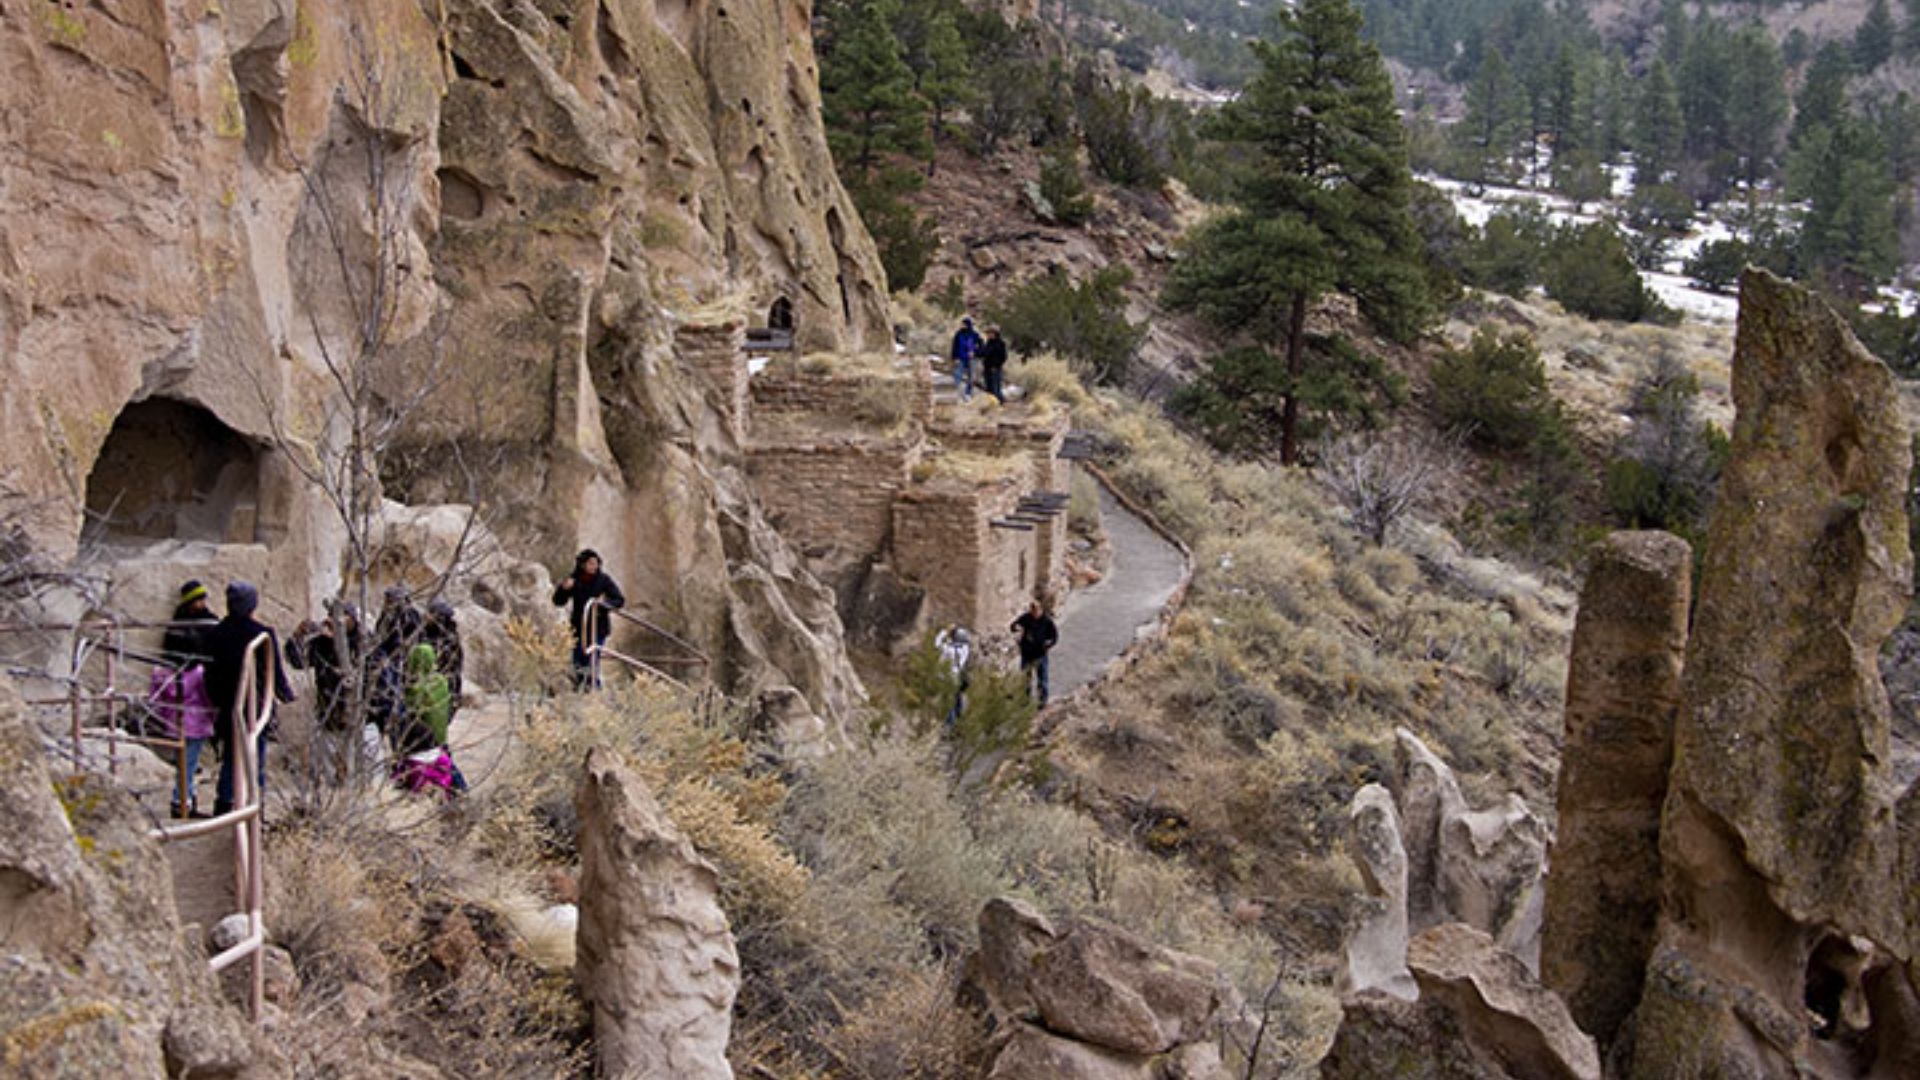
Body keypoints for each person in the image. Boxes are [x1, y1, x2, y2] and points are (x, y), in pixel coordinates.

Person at [202, 582, 296, 817]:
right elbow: (273, 669)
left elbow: (209, 674)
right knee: (256, 759)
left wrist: (215, 700)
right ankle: (256, 810)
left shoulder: (216, 634)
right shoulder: (261, 634)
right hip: (254, 704)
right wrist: (285, 694)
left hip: (227, 705)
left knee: (231, 758)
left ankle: (223, 806)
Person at [151, 581, 219, 818]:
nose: (202, 604)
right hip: (193, 707)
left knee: (187, 758)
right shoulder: (196, 629)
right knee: (188, 759)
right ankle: (181, 802)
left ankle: (185, 799)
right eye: (197, 600)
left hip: (183, 705)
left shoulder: (185, 626)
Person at [287, 601, 364, 783]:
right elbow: (299, 662)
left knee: (353, 769)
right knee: (328, 769)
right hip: (327, 711)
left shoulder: (362, 643)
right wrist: (298, 638)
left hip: (356, 715)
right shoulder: (322, 643)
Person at [390, 642, 459, 796]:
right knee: (447, 771)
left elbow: (410, 712)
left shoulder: (416, 689)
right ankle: (461, 794)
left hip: (420, 742)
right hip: (441, 737)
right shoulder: (441, 682)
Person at [553, 549, 626, 690]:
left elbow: (619, 600)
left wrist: (602, 605)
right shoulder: (574, 579)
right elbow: (558, 601)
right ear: (582, 565)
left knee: (591, 657)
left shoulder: (603, 580)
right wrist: (563, 589)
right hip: (579, 626)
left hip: (597, 626)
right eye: (590, 563)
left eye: (596, 563)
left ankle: (594, 689)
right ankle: (582, 688)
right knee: (578, 660)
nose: (594, 566)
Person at [1011, 598, 1059, 707]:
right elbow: (1014, 625)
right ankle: (1024, 700)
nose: (1034, 613)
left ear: (1041, 610)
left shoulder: (1047, 621)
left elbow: (1054, 637)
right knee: (1025, 679)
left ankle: (1042, 701)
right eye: (1033, 611)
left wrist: (1047, 645)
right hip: (1027, 654)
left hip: (1040, 654)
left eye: (1036, 611)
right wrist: (1015, 627)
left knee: (1042, 680)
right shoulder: (1026, 618)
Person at [162, 579, 218, 666]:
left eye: (203, 598)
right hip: (183, 667)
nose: (203, 602)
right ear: (190, 601)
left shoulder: (209, 619)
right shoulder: (179, 621)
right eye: (199, 599)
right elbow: (170, 647)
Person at [934, 624, 972, 727]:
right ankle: (959, 719)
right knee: (957, 699)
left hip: (946, 677)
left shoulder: (948, 649)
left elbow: (937, 643)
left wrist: (945, 631)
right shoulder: (965, 649)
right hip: (957, 676)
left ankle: (949, 725)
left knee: (949, 703)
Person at [950, 316, 983, 402]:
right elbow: (954, 346)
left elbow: (982, 346)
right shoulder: (958, 334)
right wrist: (954, 357)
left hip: (972, 359)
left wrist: (975, 352)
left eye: (964, 324)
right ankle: (957, 393)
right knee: (958, 375)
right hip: (961, 358)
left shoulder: (975, 335)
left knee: (971, 377)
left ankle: (968, 393)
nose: (962, 326)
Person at [980, 325, 1009, 404]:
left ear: (995, 333)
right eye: (988, 333)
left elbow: (1003, 357)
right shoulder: (988, 343)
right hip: (987, 368)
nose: (988, 335)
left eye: (990, 333)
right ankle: (992, 404)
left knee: (995, 388)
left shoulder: (1000, 343)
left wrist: (996, 365)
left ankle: (1000, 403)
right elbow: (984, 353)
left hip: (995, 369)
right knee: (988, 388)